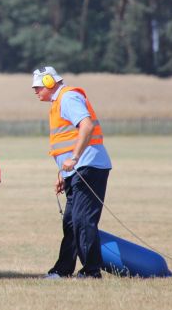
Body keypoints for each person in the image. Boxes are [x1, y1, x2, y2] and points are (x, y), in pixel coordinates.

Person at [32, 66, 112, 279]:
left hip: (88, 166)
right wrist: (62, 173)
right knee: (70, 221)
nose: (35, 90)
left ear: (50, 82)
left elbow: (86, 126)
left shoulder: (68, 98)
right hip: (75, 170)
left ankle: (91, 271)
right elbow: (65, 142)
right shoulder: (58, 103)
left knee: (83, 220)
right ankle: (63, 270)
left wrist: (75, 158)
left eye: (38, 86)